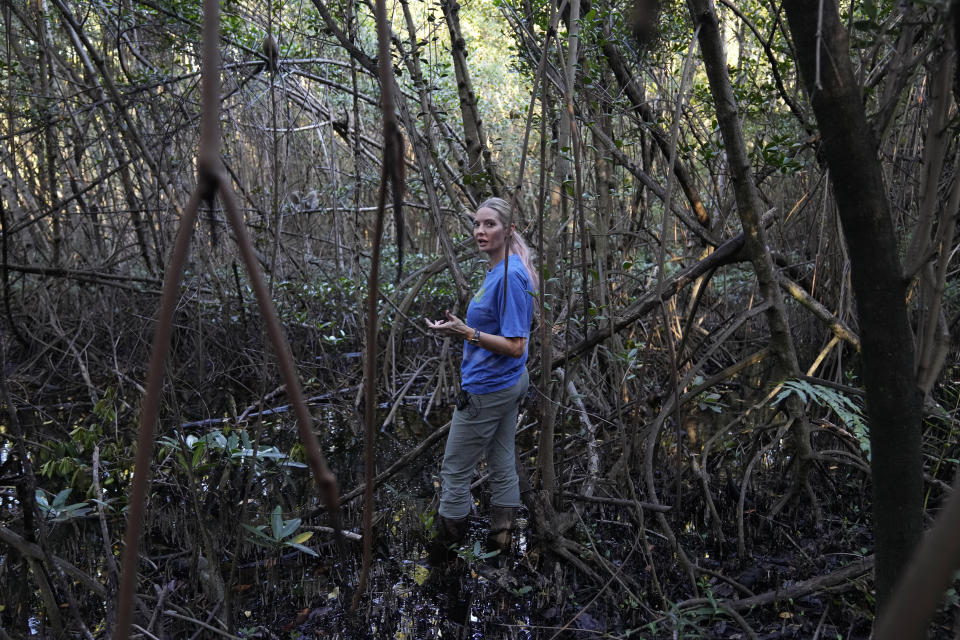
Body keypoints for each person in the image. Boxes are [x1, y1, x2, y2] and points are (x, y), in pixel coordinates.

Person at [424, 196, 537, 567]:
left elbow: (516, 344)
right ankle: (501, 545)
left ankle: (444, 558)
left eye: (490, 224)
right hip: (505, 384)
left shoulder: (511, 276)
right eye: (477, 224)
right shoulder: (500, 269)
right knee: (502, 459)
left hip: (489, 388)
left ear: (510, 230)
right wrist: (459, 330)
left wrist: (467, 333)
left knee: (454, 471)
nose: (480, 231)